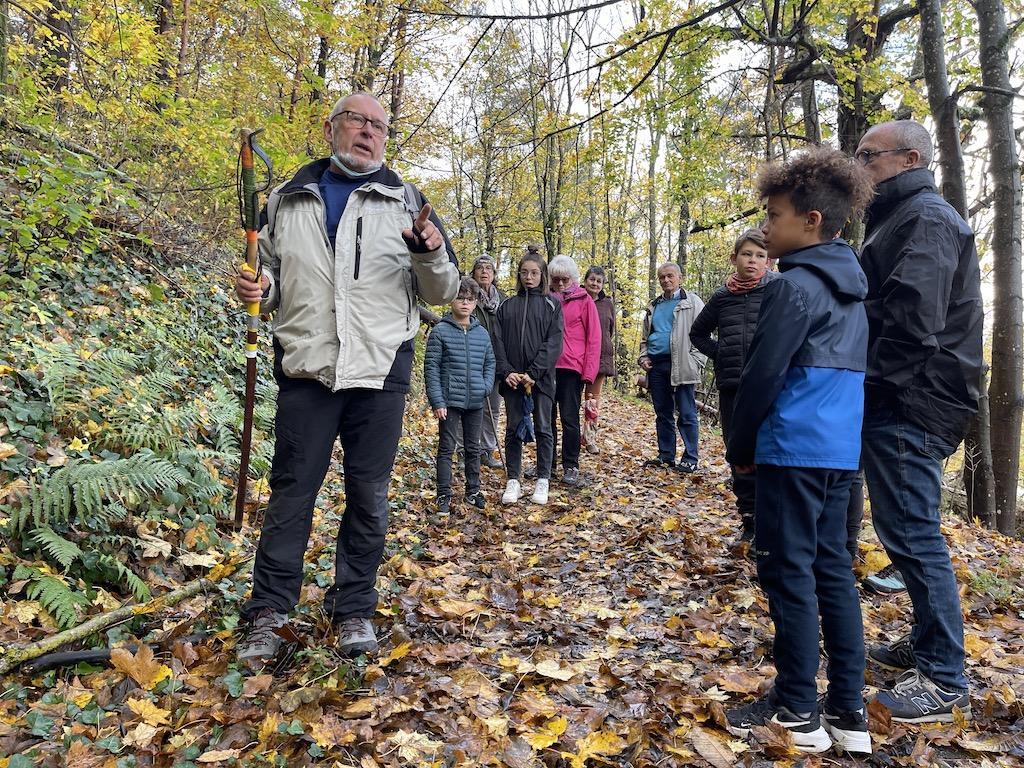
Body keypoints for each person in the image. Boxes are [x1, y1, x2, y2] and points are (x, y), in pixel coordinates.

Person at [232, 92, 459, 667]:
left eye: (379, 126)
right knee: (291, 493)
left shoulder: (410, 203)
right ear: (333, 127)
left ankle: (353, 603)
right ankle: (270, 609)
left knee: (369, 495)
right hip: (307, 367)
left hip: (380, 370)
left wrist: (430, 253)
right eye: (358, 121)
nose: (368, 133)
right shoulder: (286, 199)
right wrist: (261, 291)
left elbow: (444, 292)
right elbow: (275, 277)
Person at [724, 147, 874, 755]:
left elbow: (763, 376)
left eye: (777, 215)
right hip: (840, 451)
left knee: (788, 573)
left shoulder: (795, 289)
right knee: (833, 571)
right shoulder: (854, 288)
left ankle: (796, 709)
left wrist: (740, 446)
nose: (767, 226)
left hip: (791, 447)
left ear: (811, 220)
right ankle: (848, 712)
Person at [855, 120, 983, 722]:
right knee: (902, 527)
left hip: (914, 398)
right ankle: (928, 645)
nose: (860, 168)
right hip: (907, 394)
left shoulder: (926, 219)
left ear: (909, 159)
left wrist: (866, 383)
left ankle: (944, 677)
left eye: (868, 157)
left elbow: (912, 320)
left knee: (911, 533)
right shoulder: (900, 219)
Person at [690, 229, 774, 545]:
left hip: (769, 389)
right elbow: (697, 334)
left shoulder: (777, 291)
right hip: (732, 387)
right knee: (739, 453)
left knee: (768, 454)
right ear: (734, 258)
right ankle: (749, 522)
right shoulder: (722, 297)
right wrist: (722, 354)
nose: (752, 261)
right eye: (746, 254)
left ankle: (770, 526)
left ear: (769, 260)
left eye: (760, 255)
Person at [493, 245, 564, 506]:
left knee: (544, 427)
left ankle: (542, 480)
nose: (529, 277)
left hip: (541, 379)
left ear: (542, 275)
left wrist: (534, 372)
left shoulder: (551, 305)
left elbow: (554, 342)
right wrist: (507, 371)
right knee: (513, 428)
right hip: (512, 379)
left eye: (534, 273)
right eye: (524, 272)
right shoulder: (506, 306)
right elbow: (497, 342)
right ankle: (514, 479)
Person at [424, 276, 495, 516]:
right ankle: (443, 495)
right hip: (449, 401)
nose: (465, 303)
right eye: (460, 298)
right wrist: (437, 400)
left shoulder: (482, 333)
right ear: (451, 300)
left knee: (473, 448)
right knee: (446, 448)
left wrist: (485, 386)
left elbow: (490, 362)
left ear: (475, 303)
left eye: (470, 299)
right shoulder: (441, 331)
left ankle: (473, 491)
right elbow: (431, 367)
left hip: (475, 400)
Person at [638, 263, 705, 472]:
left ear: (680, 278)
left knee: (686, 412)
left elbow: (705, 333)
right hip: (657, 365)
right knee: (663, 412)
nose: (666, 280)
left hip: (683, 363)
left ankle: (690, 458)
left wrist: (696, 361)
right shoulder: (653, 306)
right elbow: (645, 337)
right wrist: (643, 357)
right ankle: (666, 456)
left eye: (670, 276)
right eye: (661, 277)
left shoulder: (692, 302)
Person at [546, 255, 601, 486]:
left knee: (569, 418)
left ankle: (571, 464)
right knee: (546, 418)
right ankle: (546, 464)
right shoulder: (545, 299)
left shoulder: (584, 300)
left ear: (574, 279)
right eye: (556, 280)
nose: (560, 284)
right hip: (546, 367)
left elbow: (594, 339)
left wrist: (588, 374)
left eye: (564, 280)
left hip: (571, 368)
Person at [465, 255, 505, 469]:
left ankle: (487, 451)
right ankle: (465, 450)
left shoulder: (503, 300)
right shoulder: (466, 296)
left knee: (493, 409)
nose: (484, 272)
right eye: (479, 268)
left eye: (488, 268)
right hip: (471, 361)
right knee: (469, 405)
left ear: (494, 274)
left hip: (496, 363)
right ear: (474, 273)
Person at [582, 266, 616, 454]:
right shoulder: (577, 297)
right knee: (570, 399)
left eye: (599, 281)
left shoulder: (607, 303)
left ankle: (589, 438)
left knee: (592, 401)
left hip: (600, 357)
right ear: (585, 280)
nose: (594, 284)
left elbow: (609, 330)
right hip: (578, 357)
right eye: (592, 279)